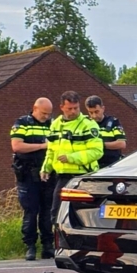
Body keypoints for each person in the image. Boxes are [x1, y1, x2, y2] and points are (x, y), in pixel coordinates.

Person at [40, 91, 104, 229]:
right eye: (70, 108)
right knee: (56, 214)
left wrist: (71, 158)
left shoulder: (88, 124)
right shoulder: (55, 124)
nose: (73, 111)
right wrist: (46, 168)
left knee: (86, 216)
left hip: (84, 176)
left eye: (76, 108)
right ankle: (59, 246)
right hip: (63, 176)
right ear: (61, 107)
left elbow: (97, 151)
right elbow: (51, 150)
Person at [10, 98, 55, 260]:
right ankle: (30, 246)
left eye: (49, 114)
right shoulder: (22, 123)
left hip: (49, 174)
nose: (46, 117)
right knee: (31, 211)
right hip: (27, 173)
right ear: (34, 108)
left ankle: (48, 245)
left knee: (47, 211)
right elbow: (17, 146)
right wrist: (43, 146)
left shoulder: (53, 124)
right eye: (44, 113)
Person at [84, 95, 126, 168]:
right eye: (90, 112)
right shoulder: (85, 123)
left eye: (97, 112)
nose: (94, 116)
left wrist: (100, 145)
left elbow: (121, 144)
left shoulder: (113, 122)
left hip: (111, 166)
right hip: (92, 166)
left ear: (103, 108)